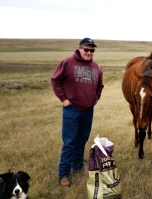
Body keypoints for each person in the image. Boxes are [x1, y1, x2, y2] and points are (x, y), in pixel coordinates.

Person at [50, 38, 104, 186]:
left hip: (88, 110)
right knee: (69, 143)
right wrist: (64, 99)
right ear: (79, 49)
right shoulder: (67, 63)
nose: (89, 52)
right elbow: (55, 80)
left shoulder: (96, 67)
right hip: (72, 110)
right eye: (86, 49)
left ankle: (77, 166)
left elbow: (100, 85)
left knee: (82, 140)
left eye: (92, 50)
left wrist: (96, 98)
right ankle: (64, 174)